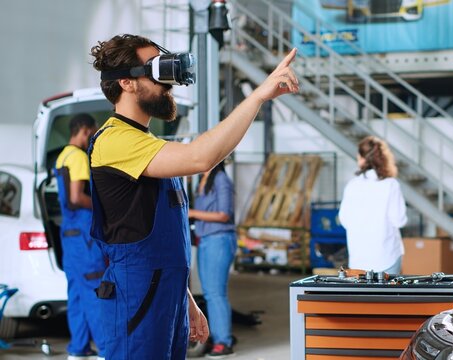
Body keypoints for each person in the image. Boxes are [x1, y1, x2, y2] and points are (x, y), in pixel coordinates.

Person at [88, 33, 298, 359]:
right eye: (156, 70)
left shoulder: (146, 145)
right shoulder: (114, 141)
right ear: (127, 83)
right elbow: (201, 158)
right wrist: (258, 97)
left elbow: (159, 238)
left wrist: (184, 298)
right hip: (137, 298)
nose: (166, 83)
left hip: (163, 296)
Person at [54, 113, 106, 360]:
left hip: (70, 235)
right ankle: (107, 351)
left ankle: (79, 348)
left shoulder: (62, 156)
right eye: (92, 133)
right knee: (94, 291)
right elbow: (77, 198)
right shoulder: (77, 157)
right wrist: (103, 206)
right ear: (85, 131)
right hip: (84, 238)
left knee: (76, 293)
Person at [338, 136, 407, 274]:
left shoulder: (352, 185)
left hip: (359, 261)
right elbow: (399, 220)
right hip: (386, 257)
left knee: (363, 296)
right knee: (387, 295)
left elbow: (344, 220)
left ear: (363, 159)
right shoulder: (391, 185)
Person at [188, 162, 236, 358]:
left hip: (219, 239)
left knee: (216, 293)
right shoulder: (203, 180)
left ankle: (224, 342)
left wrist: (191, 213)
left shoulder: (221, 180)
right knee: (209, 293)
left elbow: (224, 215)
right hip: (206, 240)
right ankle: (216, 337)